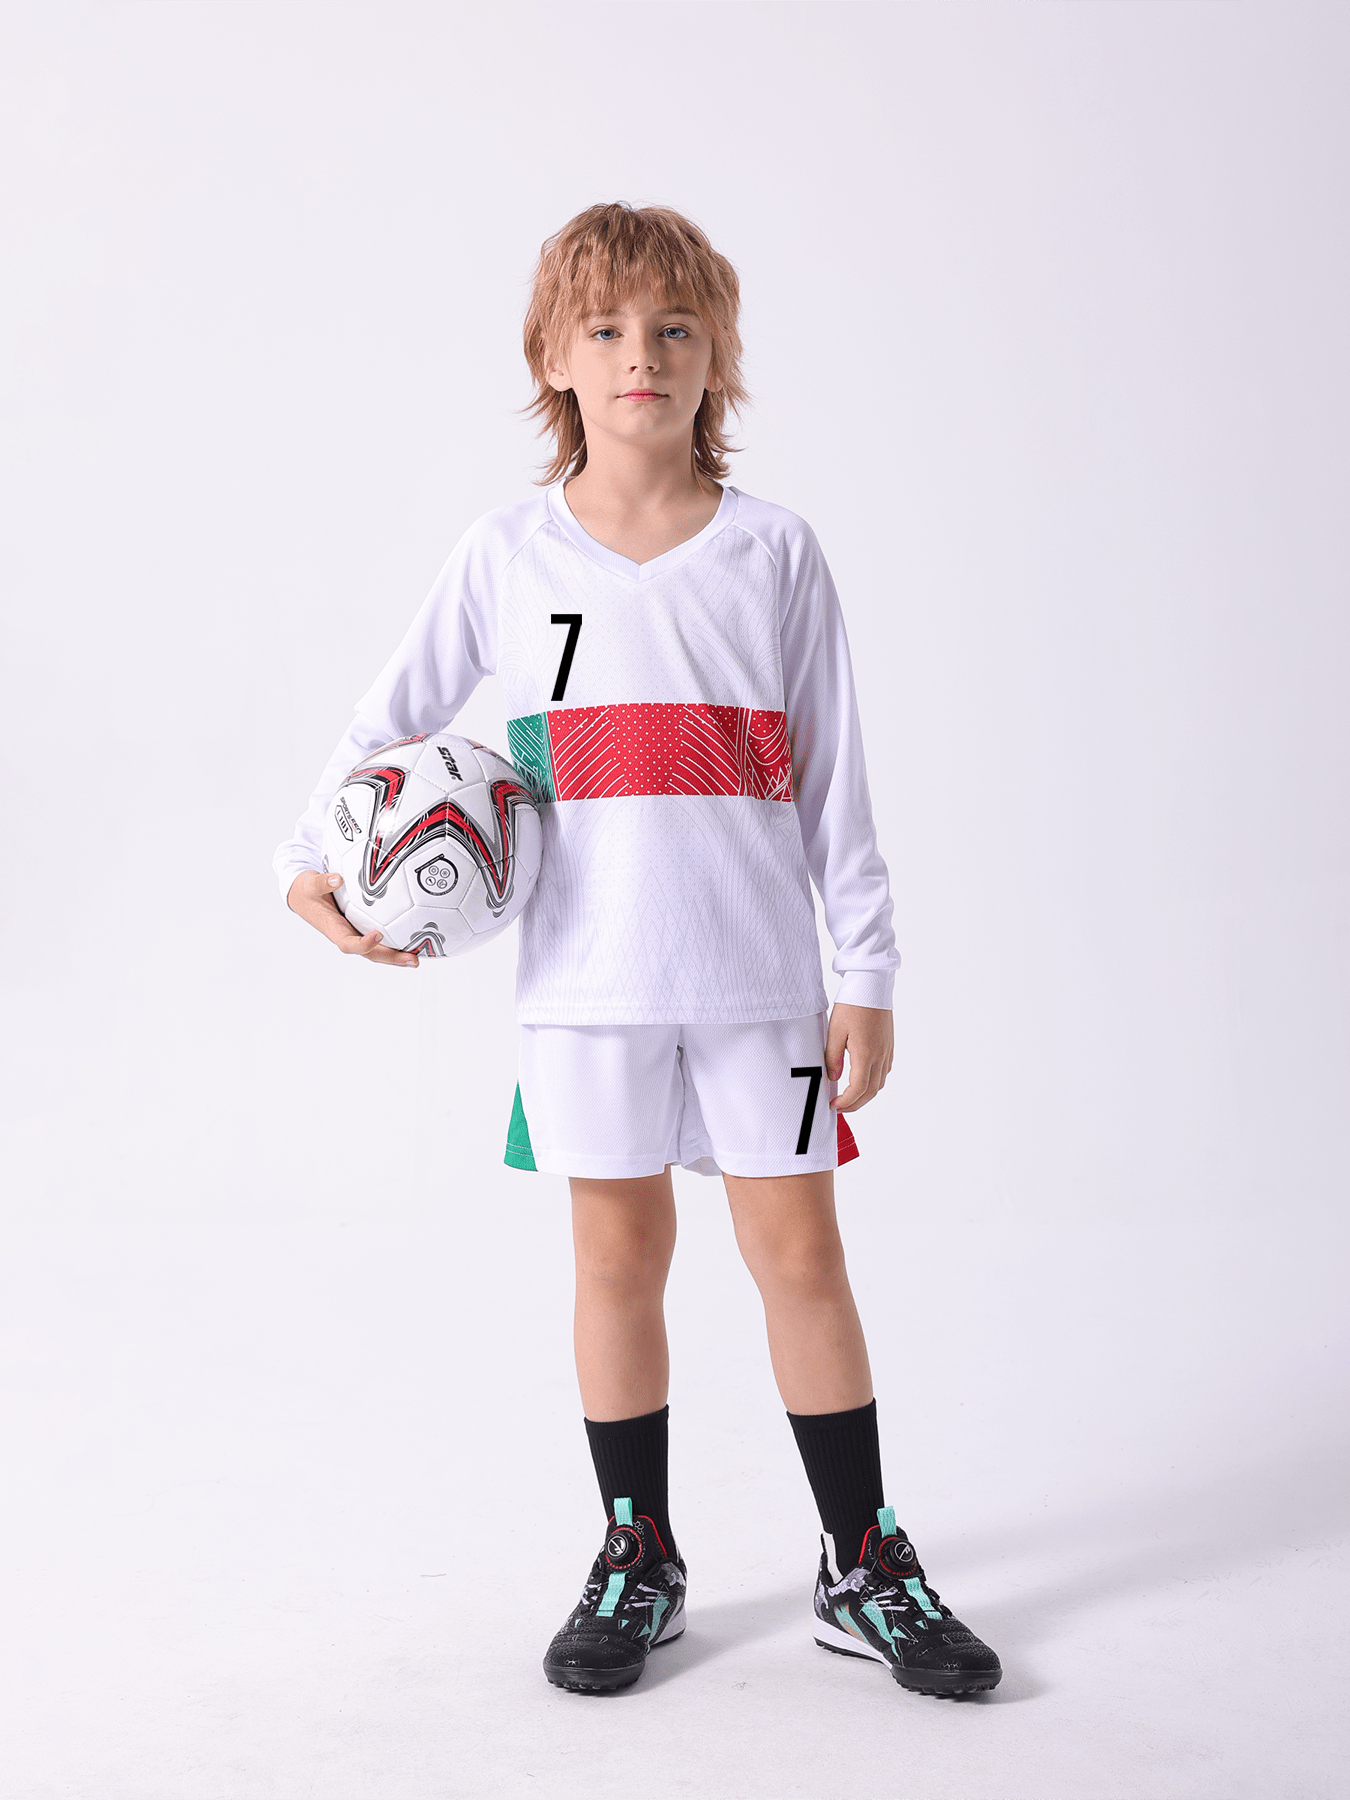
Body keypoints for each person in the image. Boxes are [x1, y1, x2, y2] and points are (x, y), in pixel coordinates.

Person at [274, 203, 1001, 1699]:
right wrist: (308, 863)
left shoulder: (774, 552)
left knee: (801, 1256)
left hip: (761, 986)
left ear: (717, 352)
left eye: (673, 328)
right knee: (617, 1262)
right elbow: (382, 726)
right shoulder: (505, 554)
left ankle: (859, 1560)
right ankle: (638, 1553)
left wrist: (865, 972)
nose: (640, 355)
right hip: (586, 990)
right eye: (604, 328)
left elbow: (836, 781)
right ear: (552, 355)